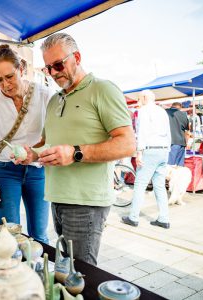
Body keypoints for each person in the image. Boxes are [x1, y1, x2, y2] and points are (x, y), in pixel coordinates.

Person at [30, 33, 135, 265]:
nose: (54, 72)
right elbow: (49, 143)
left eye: (58, 64)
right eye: (48, 68)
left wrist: (75, 153)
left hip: (86, 203)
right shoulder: (54, 100)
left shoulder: (103, 89)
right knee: (67, 270)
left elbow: (127, 143)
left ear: (76, 57)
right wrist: (32, 153)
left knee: (81, 275)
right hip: (56, 198)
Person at [0, 44, 51, 244]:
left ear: (21, 70)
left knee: (40, 235)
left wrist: (36, 152)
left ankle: (38, 273)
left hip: (37, 169)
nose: (6, 84)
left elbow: (52, 134)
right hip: (4, 171)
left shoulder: (44, 95)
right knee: (9, 235)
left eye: (10, 76)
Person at [122, 90, 171, 229]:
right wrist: (167, 149)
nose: (138, 101)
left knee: (140, 184)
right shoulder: (162, 111)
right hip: (163, 150)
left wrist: (139, 153)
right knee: (160, 186)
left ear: (144, 98)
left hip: (150, 149)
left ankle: (133, 217)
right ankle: (164, 218)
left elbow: (141, 132)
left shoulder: (143, 111)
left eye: (139, 98)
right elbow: (168, 131)